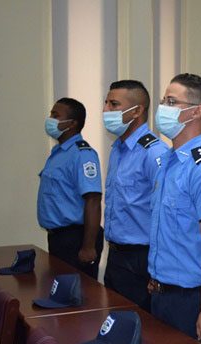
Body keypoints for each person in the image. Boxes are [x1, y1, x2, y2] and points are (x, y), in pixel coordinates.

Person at [147, 73, 201, 344]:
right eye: (163, 101)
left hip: (191, 299)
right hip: (161, 292)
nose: (162, 108)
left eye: (171, 102)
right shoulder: (167, 162)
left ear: (195, 112)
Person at [102, 80, 168, 311]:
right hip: (115, 254)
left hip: (141, 257)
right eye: (106, 103)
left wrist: (157, 268)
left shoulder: (154, 153)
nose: (105, 110)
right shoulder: (118, 150)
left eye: (113, 104)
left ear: (137, 111)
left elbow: (164, 215)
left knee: (140, 324)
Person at [38, 98, 103, 278]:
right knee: (60, 290)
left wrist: (88, 247)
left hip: (76, 238)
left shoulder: (83, 154)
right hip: (58, 238)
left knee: (79, 292)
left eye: (56, 115)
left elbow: (93, 199)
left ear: (72, 123)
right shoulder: (58, 152)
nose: (50, 119)